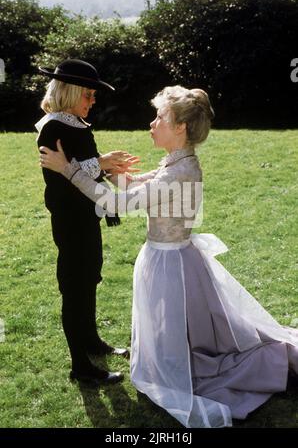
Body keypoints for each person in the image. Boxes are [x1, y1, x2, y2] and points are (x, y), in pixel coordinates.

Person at [39, 85, 298, 427]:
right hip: (166, 258)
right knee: (169, 332)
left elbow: (116, 203)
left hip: (172, 264)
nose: (152, 122)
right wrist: (110, 168)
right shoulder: (176, 163)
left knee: (175, 335)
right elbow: (133, 187)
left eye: (160, 116)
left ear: (180, 128)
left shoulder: (180, 172)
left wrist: (68, 169)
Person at [36, 59, 139, 386]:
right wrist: (101, 162)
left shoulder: (76, 123)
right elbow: (64, 174)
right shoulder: (54, 127)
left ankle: (92, 341)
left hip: (87, 214)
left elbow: (80, 166)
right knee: (75, 287)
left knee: (89, 277)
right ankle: (80, 364)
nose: (93, 102)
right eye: (88, 95)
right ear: (70, 93)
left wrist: (108, 168)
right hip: (70, 219)